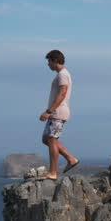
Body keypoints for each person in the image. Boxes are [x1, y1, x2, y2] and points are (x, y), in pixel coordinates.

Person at [36, 49, 79, 180]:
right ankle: (70, 159)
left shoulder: (63, 75)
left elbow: (62, 94)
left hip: (58, 112)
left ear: (55, 61)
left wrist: (49, 111)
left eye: (49, 61)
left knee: (52, 140)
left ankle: (53, 173)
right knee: (46, 139)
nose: (48, 64)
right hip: (56, 112)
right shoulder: (61, 74)